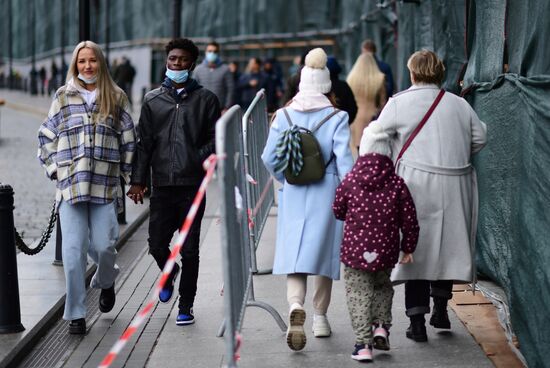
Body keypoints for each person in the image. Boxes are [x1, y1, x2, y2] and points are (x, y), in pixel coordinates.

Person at [373, 49, 487, 342]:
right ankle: (441, 309)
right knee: (447, 246)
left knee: (416, 249)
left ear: (412, 73)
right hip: (454, 183)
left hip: (414, 184)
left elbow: (378, 137)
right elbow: (479, 137)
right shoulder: (459, 105)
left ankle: (417, 322)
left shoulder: (398, 104)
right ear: (439, 73)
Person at [37, 40, 136, 335]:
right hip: (71, 188)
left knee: (106, 247)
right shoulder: (62, 97)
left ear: (101, 62)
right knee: (73, 252)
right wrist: (56, 171)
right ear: (75, 64)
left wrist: (132, 179)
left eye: (92, 60)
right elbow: (45, 138)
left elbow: (129, 140)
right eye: (82, 61)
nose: (87, 66)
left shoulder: (116, 97)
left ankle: (106, 281)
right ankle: (76, 314)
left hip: (105, 187)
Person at [261, 48, 353, 351]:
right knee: (323, 255)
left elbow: (268, 157)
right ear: (326, 85)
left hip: (294, 190)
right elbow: (345, 163)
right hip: (326, 190)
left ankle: (294, 306)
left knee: (295, 254)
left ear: (302, 83)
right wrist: (349, 194)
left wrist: (284, 178)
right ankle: (320, 318)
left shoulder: (284, 114)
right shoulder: (337, 116)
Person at [127, 38, 220, 326]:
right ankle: (169, 273)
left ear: (192, 64)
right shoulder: (153, 100)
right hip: (163, 187)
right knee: (156, 244)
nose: (176, 64)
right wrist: (138, 181)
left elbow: (215, 140)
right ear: (167, 62)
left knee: (190, 250)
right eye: (172, 60)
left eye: (182, 60)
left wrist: (195, 157)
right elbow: (144, 144)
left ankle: (186, 305)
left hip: (192, 186)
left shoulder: (206, 100)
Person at [333, 122, 419, 362]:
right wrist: (408, 247)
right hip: (386, 249)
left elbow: (337, 209)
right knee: (382, 286)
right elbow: (409, 218)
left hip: (355, 251)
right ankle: (381, 326)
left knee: (359, 293)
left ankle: (363, 344)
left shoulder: (350, 180)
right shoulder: (397, 184)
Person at [346, 53, 387, 157]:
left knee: (359, 149)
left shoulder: (351, 79)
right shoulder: (380, 78)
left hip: (356, 119)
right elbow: (383, 103)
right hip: (372, 117)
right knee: (372, 149)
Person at [193, 41, 235, 113]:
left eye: (215, 51)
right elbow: (193, 89)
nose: (212, 53)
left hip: (220, 109)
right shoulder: (198, 69)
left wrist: (226, 107)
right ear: (205, 52)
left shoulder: (225, 69)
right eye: (209, 51)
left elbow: (230, 89)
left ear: (218, 53)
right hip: (202, 108)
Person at [326, 56, 358, 125]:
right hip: (342, 125)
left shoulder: (322, 88)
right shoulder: (344, 86)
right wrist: (346, 123)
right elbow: (353, 108)